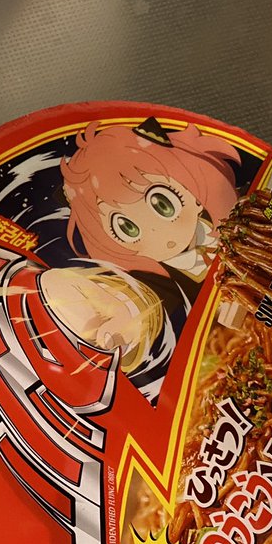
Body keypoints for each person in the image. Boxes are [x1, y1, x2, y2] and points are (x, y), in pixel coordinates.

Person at [41, 119, 240, 392]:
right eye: (127, 228)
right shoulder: (159, 283)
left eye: (162, 204)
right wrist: (119, 320)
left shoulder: (239, 216)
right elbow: (138, 303)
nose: (158, 231)